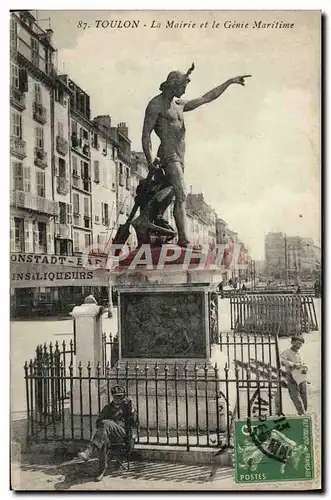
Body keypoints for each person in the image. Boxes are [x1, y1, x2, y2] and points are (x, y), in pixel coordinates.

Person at [142, 64, 251, 246]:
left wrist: (230, 82)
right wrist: (148, 160)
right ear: (173, 85)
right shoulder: (155, 105)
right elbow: (146, 135)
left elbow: (206, 98)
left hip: (180, 156)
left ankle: (151, 225)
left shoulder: (179, 105)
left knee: (168, 196)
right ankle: (183, 239)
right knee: (182, 193)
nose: (184, 91)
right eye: (182, 87)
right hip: (168, 156)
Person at [77, 385, 138, 473]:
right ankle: (102, 470)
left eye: (121, 396)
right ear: (112, 396)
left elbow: (135, 423)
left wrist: (132, 410)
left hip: (122, 434)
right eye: (116, 396)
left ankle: (88, 451)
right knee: (103, 436)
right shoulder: (107, 408)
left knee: (106, 423)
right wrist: (106, 426)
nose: (118, 399)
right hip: (108, 436)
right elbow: (98, 423)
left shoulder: (127, 407)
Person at [280, 336, 308, 415]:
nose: (298, 345)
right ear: (292, 342)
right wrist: (293, 365)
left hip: (301, 376)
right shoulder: (287, 352)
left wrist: (305, 368)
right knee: (295, 396)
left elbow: (303, 363)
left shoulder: (300, 353)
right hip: (291, 376)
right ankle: (301, 413)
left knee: (304, 396)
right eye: (297, 343)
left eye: (300, 344)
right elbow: (282, 361)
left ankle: (304, 413)